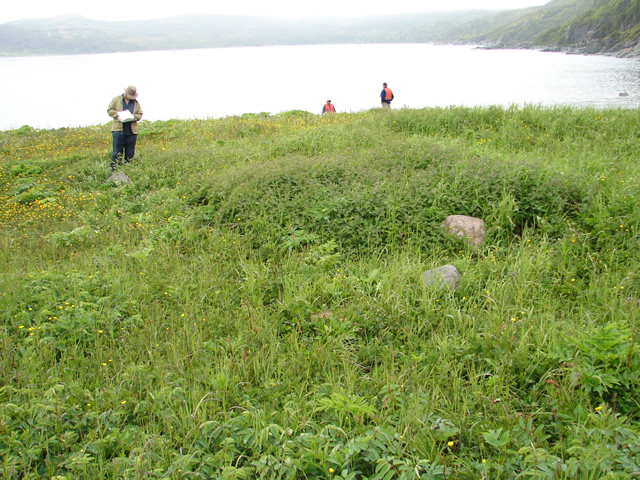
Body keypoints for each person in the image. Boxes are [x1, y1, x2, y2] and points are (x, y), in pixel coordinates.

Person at [107, 85, 143, 169]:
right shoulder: (116, 99)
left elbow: (139, 114)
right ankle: (115, 172)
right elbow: (109, 110)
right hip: (118, 130)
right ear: (126, 93)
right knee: (117, 153)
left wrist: (133, 117)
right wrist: (118, 115)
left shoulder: (136, 103)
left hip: (131, 131)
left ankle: (128, 170)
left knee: (130, 153)